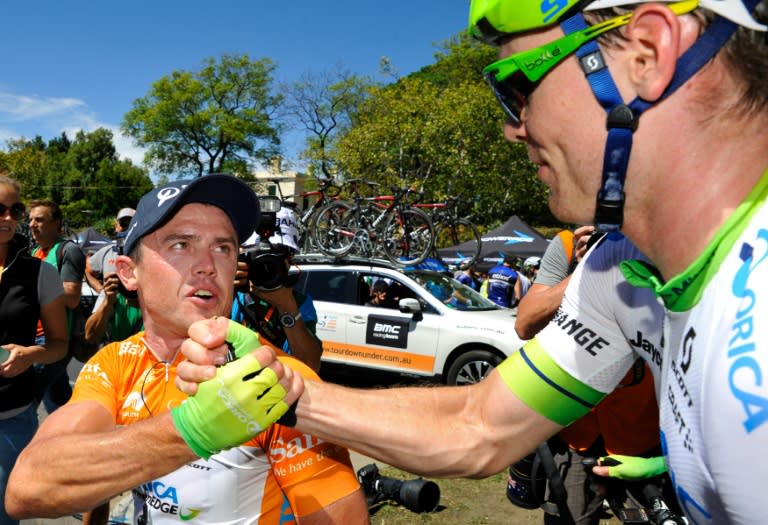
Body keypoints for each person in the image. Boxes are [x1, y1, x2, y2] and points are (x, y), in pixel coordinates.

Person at [169, 1, 768, 523]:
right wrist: (280, 388)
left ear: (647, 52)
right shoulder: (613, 270)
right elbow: (478, 425)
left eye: (516, 87)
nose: (513, 128)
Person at [5, 175, 363, 524]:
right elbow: (28, 488)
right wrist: (191, 432)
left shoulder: (277, 375)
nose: (209, 266)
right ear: (128, 273)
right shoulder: (115, 361)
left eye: (223, 248)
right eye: (181, 245)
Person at [512, 226, 661, 524]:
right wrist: (584, 271)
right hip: (577, 432)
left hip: (643, 436)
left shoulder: (662, 240)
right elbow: (525, 324)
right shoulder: (568, 243)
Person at [0, 175, 68, 525]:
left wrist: (30, 355)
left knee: (4, 514)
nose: (8, 218)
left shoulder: (40, 272)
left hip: (10, 418)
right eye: (0, 209)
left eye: (15, 209)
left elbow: (59, 345)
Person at [232, 205, 323, 372]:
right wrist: (224, 287)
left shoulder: (300, 303)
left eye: (277, 254)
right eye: (257, 254)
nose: (266, 264)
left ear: (290, 258)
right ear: (243, 256)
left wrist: (287, 305)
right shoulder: (233, 294)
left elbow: (311, 366)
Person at [27, 199, 86, 413]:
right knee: (59, 403)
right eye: (31, 219)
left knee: (25, 401)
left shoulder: (68, 251)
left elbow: (71, 297)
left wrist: (30, 291)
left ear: (56, 223)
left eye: (39, 219)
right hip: (33, 335)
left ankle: (21, 446)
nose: (32, 224)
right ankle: (74, 438)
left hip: (53, 339)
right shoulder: (34, 253)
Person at [84, 207, 135, 294]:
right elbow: (87, 269)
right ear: (116, 227)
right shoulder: (107, 252)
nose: (128, 228)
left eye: (132, 223)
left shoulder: (148, 253)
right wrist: (101, 291)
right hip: (110, 306)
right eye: (124, 223)